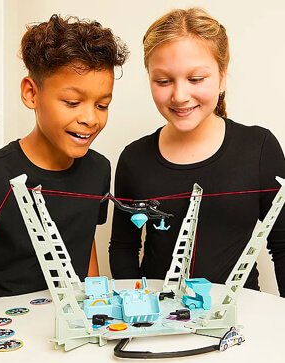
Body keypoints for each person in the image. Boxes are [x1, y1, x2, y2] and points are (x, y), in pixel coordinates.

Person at [109, 8, 285, 297]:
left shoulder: (260, 148)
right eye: (163, 81)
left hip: (241, 317)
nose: (179, 95)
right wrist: (136, 306)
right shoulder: (133, 159)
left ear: (222, 76)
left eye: (196, 78)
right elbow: (124, 247)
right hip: (159, 321)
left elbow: (282, 244)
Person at [0, 14, 129, 306]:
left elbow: (86, 242)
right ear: (31, 93)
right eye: (72, 102)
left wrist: (98, 304)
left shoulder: (99, 169)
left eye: (102, 105)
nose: (90, 119)